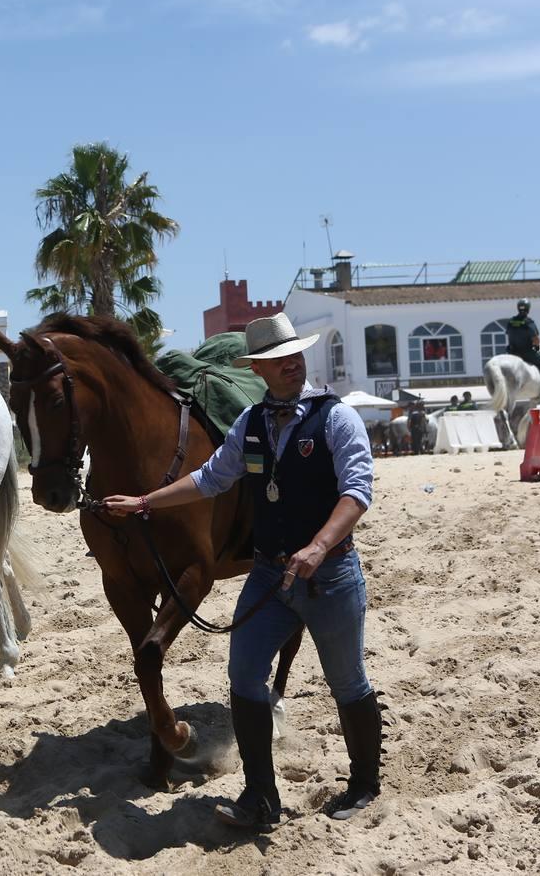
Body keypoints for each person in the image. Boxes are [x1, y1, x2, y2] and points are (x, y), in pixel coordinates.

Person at [102, 313, 382, 830]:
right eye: (279, 360)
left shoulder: (335, 418)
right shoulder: (249, 423)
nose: (292, 365)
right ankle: (260, 797)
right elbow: (208, 479)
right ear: (258, 368)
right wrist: (146, 501)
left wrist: (320, 546)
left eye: (295, 355)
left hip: (331, 576)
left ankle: (364, 783)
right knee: (244, 678)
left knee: (348, 683)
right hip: (269, 577)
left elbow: (357, 492)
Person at [505, 299, 540, 399]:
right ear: (528, 309)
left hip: (512, 351)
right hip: (526, 352)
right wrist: (536, 348)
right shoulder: (528, 322)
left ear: (518, 308)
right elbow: (535, 339)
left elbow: (509, 334)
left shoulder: (511, 321)